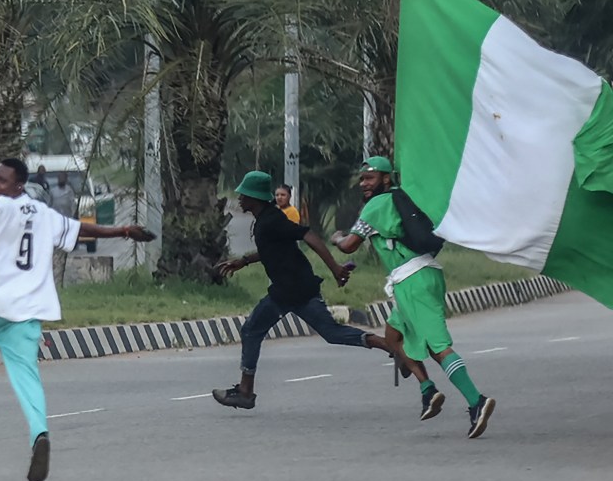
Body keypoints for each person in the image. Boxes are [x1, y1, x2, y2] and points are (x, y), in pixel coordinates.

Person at [0, 157, 154, 481]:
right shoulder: (44, 215)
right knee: (27, 378)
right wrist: (123, 230)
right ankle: (39, 434)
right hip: (29, 310)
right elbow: (80, 228)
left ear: (17, 186)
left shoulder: (2, 206)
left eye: (1, 180)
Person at [333, 157, 496, 438]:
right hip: (422, 274)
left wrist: (336, 238)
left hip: (412, 281)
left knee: (438, 346)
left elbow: (349, 246)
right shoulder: (403, 198)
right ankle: (427, 390)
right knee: (393, 337)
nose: (364, 184)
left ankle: (476, 401)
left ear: (387, 178)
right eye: (362, 179)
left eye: (370, 178)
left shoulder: (376, 205)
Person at [212, 170, 399, 411]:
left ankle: (245, 392)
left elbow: (308, 235)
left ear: (254, 198)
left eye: (244, 195)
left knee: (251, 330)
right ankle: (388, 346)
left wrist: (334, 268)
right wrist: (244, 261)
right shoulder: (267, 220)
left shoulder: (272, 220)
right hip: (301, 286)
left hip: (288, 289)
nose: (239, 198)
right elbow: (273, 250)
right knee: (332, 333)